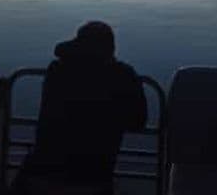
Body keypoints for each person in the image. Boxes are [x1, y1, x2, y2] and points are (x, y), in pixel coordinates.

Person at [13, 21, 147, 195]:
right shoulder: (125, 76)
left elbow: (59, 50)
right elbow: (138, 122)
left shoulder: (58, 71)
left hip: (39, 174)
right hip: (92, 179)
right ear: (111, 49)